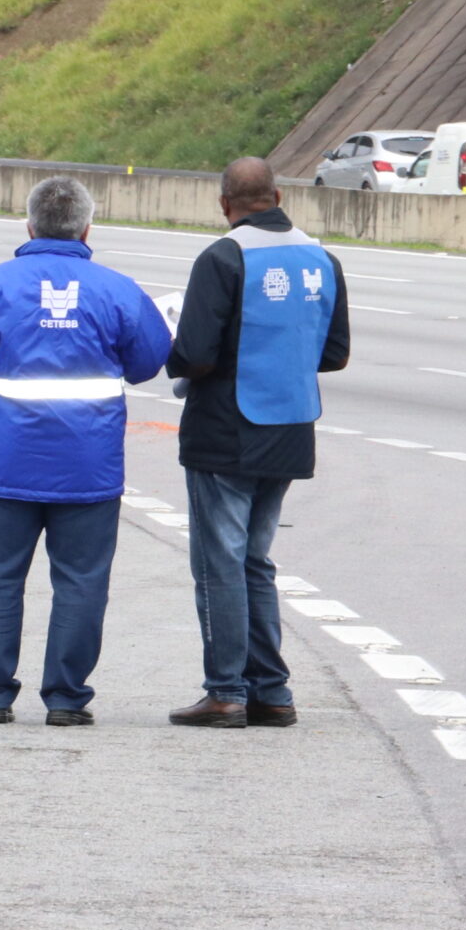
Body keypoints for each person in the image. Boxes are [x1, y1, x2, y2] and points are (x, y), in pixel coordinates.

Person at [0, 175, 173, 727]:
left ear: (29, 225)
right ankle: (65, 698)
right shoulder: (116, 290)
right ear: (88, 228)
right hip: (89, 468)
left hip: (7, 463)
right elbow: (146, 362)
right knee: (82, 582)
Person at [165, 156, 350, 729]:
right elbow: (335, 353)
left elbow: (193, 354)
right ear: (278, 195)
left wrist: (171, 348)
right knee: (254, 562)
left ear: (225, 205)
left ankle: (225, 691)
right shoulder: (323, 259)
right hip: (291, 428)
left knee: (219, 564)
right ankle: (271, 691)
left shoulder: (224, 257)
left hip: (226, 431)